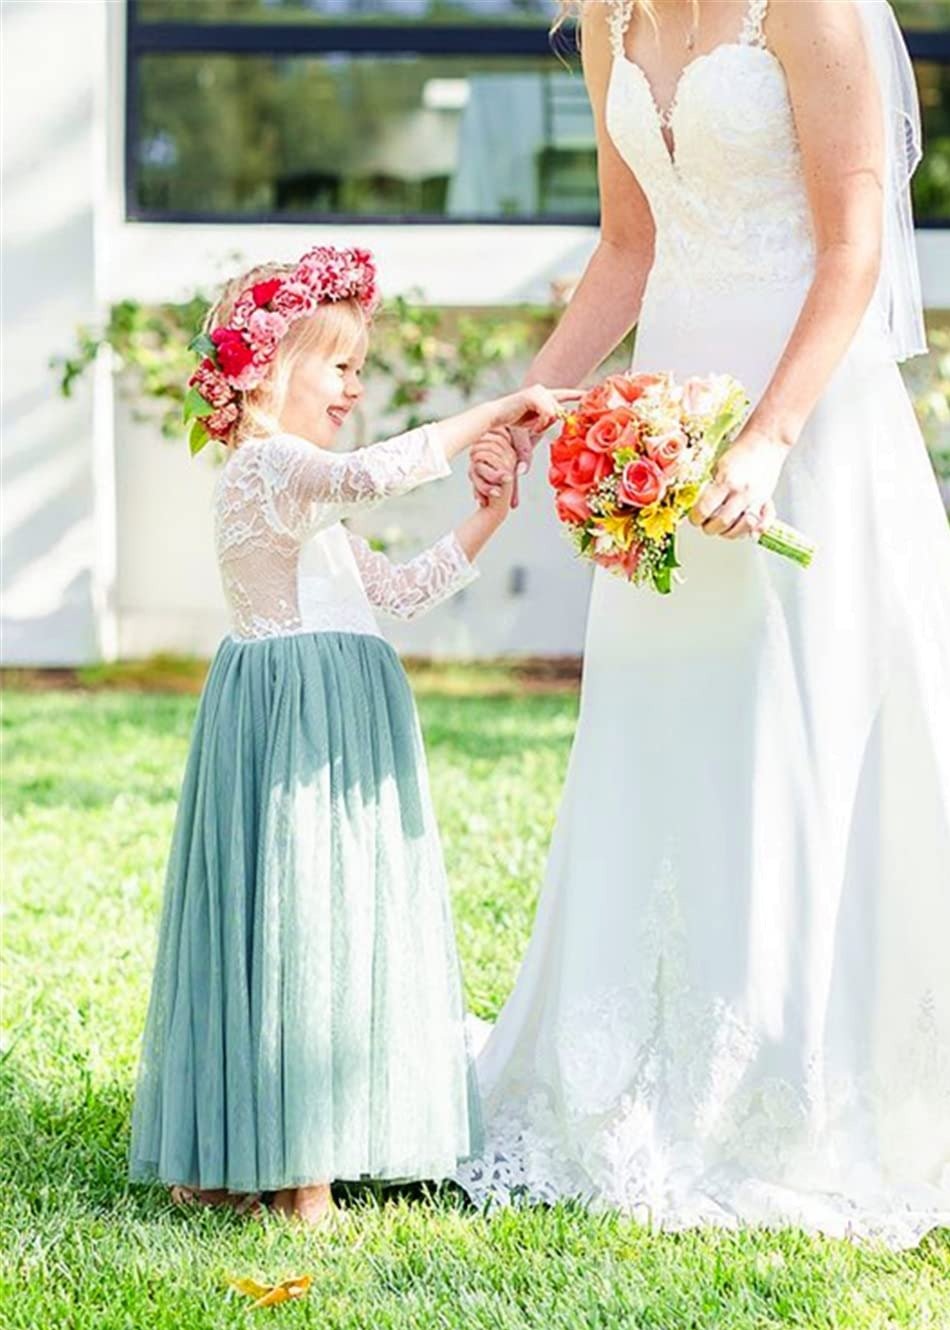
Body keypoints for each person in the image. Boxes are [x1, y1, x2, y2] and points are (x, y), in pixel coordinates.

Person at [460, 0, 950, 1248]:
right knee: (666, 734)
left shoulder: (814, 11)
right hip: (661, 412)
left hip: (806, 413)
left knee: (796, 734)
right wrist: (531, 405)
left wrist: (770, 438)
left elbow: (853, 251)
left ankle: (802, 1082)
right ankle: (640, 1057)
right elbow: (629, 245)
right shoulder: (607, 22)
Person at [127, 243, 573, 1225]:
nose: (353, 385)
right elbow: (375, 472)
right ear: (269, 374)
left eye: (356, 368)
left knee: (328, 921)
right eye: (337, 366)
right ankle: (299, 1173)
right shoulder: (266, 468)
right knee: (299, 924)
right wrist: (497, 409)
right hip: (297, 727)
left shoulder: (300, 495)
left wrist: (489, 515)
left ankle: (257, 1155)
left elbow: (400, 592)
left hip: (337, 716)